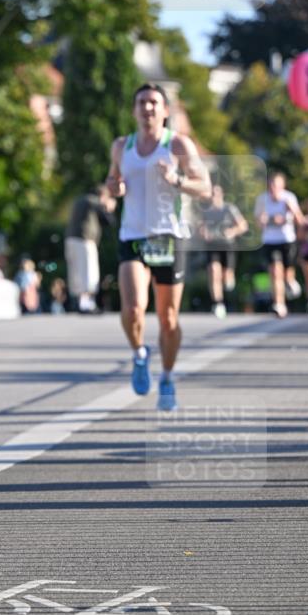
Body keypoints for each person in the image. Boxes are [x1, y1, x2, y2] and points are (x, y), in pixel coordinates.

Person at [105, 83, 211, 411]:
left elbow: (205, 187)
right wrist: (114, 188)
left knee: (167, 318)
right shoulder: (122, 146)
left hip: (168, 235)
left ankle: (166, 376)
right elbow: (112, 182)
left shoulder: (178, 144)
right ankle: (139, 353)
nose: (148, 108)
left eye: (154, 103)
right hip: (133, 235)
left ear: (165, 110)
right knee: (133, 309)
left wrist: (177, 180)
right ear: (134, 110)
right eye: (142, 103)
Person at [254, 172, 304, 318]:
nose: (272, 188)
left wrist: (292, 211)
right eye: (270, 185)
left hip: (287, 240)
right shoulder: (262, 199)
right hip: (270, 241)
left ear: (282, 186)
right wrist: (262, 220)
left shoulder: (289, 198)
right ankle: (279, 304)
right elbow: (257, 222)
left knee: (286, 274)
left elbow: (300, 221)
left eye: (275, 185)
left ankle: (290, 281)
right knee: (275, 272)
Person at [198, 184, 248, 318]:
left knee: (227, 277)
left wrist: (232, 231)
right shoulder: (206, 211)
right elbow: (201, 228)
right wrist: (204, 233)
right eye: (212, 194)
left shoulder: (229, 209)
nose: (214, 197)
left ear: (222, 195)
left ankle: (229, 278)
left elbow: (243, 225)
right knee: (214, 272)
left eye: (216, 194)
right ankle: (218, 303)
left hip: (227, 245)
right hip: (212, 245)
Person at [65, 185, 117, 313]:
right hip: (84, 240)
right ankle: (86, 304)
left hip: (71, 239)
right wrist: (109, 208)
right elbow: (109, 221)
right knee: (88, 272)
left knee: (76, 271)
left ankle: (79, 302)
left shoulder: (80, 200)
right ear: (103, 196)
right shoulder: (94, 201)